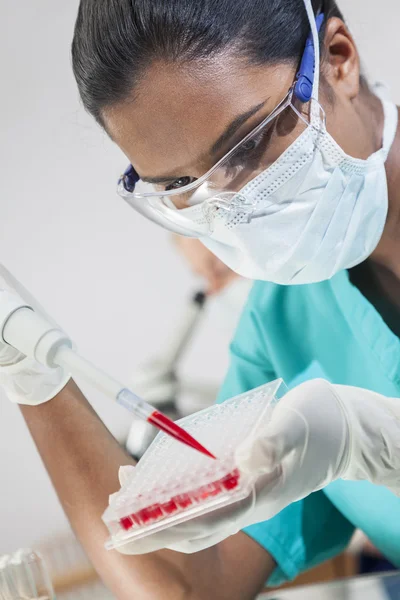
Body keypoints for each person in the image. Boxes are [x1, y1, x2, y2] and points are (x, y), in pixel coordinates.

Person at [1, 0, 400, 598]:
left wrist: (367, 437)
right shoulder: (283, 322)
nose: (235, 211)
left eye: (246, 147)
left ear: (337, 60)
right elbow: (192, 584)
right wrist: (27, 364)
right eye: (181, 190)